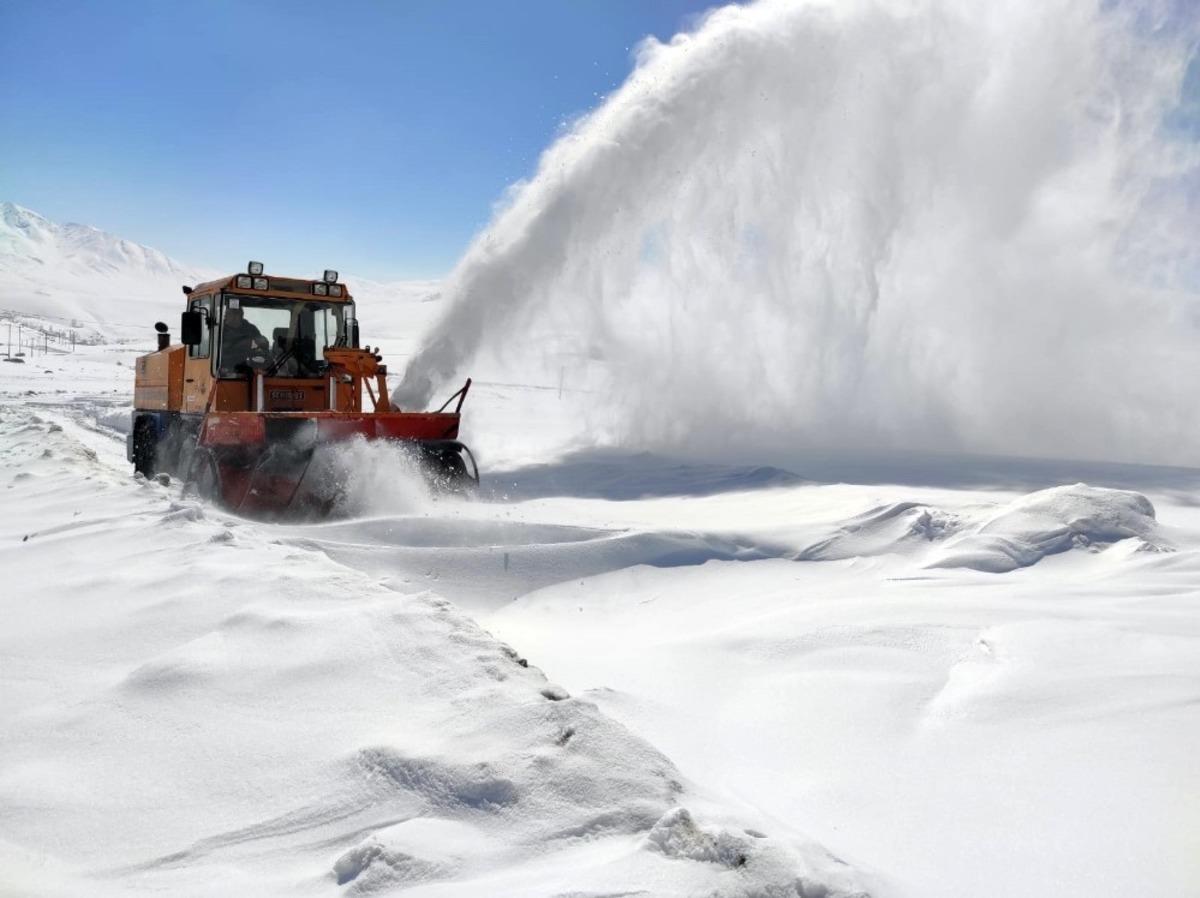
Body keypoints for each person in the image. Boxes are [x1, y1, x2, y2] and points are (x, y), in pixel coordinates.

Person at [221, 305, 269, 371]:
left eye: (236, 313)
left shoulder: (250, 329)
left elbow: (263, 342)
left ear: (241, 315)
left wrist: (261, 342)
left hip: (246, 366)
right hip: (224, 368)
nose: (232, 317)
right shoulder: (219, 329)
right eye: (228, 314)